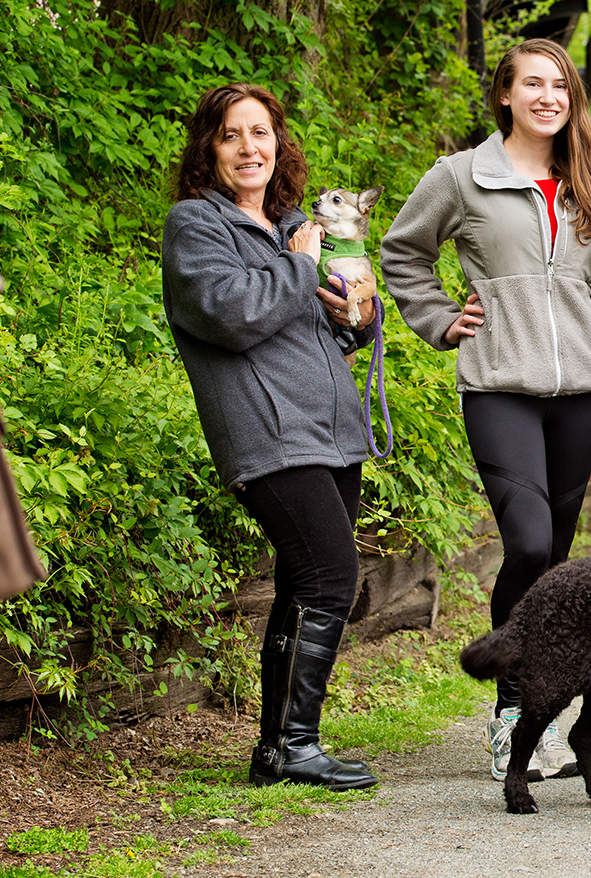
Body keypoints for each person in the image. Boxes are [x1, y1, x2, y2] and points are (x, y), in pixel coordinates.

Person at [380, 39, 591, 783]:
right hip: (498, 385)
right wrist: (436, 318)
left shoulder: (590, 181)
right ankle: (510, 710)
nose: (548, 96)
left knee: (554, 561)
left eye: (560, 85)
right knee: (524, 544)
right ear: (505, 96)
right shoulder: (462, 175)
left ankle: (541, 716)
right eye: (533, 84)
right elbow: (402, 251)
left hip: (580, 393)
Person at [161, 83, 379, 790]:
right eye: (232, 134)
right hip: (269, 432)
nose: (250, 147)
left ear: (279, 143)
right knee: (331, 575)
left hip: (327, 430)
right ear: (210, 147)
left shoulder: (289, 223)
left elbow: (316, 326)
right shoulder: (196, 226)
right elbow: (231, 313)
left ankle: (280, 746)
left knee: (302, 583)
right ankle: (294, 743)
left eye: (262, 133)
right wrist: (298, 262)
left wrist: (356, 317)